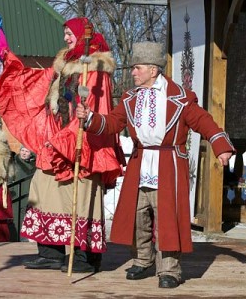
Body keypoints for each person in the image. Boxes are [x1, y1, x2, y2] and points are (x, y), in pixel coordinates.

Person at [76, 41, 235, 288]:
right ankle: (142, 260)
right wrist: (90, 119)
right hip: (140, 164)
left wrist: (220, 146)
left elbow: (203, 121)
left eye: (137, 68)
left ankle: (169, 270)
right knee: (138, 217)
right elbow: (113, 124)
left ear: (153, 69)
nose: (133, 72)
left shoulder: (179, 98)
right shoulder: (130, 98)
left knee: (166, 219)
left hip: (168, 165)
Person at [0, 17, 124, 273]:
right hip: (56, 142)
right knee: (43, 192)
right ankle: (50, 253)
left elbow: (95, 109)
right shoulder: (64, 65)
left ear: (81, 35)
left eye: (68, 33)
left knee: (81, 197)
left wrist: (70, 139)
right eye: (64, 33)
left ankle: (84, 256)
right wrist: (4, 53)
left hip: (83, 146)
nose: (65, 38)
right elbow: (32, 85)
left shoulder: (95, 68)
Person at [9, 145, 36, 241]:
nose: (24, 153)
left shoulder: (34, 165)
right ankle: (14, 239)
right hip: (16, 195)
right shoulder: (14, 163)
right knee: (15, 217)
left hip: (28, 195)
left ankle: (23, 239)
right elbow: (9, 178)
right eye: (22, 150)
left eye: (27, 151)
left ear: (31, 153)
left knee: (25, 218)